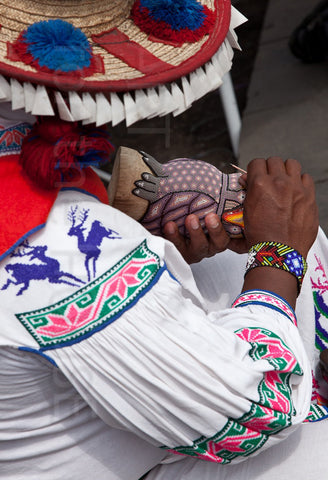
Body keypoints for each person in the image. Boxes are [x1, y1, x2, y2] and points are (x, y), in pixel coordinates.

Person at [0, 1, 327, 479]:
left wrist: (151, 249)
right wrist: (279, 251)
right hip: (142, 461)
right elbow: (252, 415)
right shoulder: (55, 245)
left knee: (235, 260)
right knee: (310, 457)